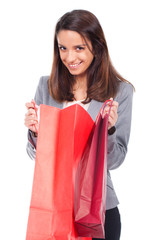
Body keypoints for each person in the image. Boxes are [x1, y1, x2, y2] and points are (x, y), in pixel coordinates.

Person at [24, 9, 134, 240]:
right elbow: (37, 158)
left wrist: (109, 130)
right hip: (54, 209)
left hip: (97, 212)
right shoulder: (46, 86)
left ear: (97, 46)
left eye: (79, 48)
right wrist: (35, 134)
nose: (70, 58)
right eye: (63, 48)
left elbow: (115, 161)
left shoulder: (119, 91)